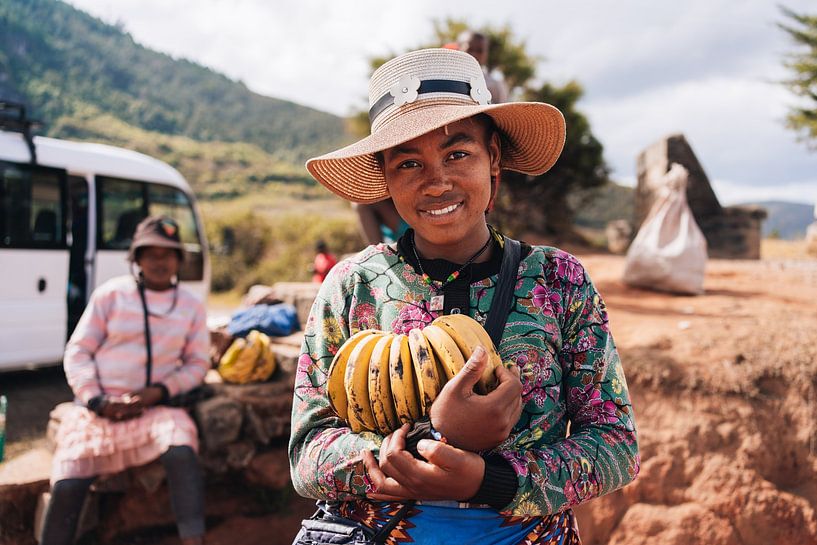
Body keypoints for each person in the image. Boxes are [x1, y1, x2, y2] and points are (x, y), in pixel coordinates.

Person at [289, 48, 639, 544]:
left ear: (493, 158)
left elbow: (616, 446)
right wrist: (424, 444)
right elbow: (306, 455)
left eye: (458, 153)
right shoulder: (352, 286)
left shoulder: (558, 281)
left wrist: (490, 479)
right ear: (386, 178)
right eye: (409, 163)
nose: (436, 181)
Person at [41, 216, 210, 545]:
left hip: (154, 410)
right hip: (97, 413)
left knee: (181, 452)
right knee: (68, 481)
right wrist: (97, 400)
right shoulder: (111, 296)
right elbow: (78, 351)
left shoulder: (190, 306)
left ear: (179, 261)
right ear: (137, 259)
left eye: (169, 254)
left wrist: (158, 392)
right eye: (151, 254)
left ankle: (194, 539)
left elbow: (197, 363)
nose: (160, 262)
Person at [458, 30, 509, 104]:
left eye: (480, 50)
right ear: (459, 49)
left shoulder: (495, 85)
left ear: (486, 53)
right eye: (470, 49)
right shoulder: (448, 79)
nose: (474, 54)